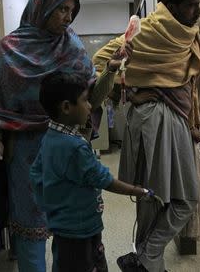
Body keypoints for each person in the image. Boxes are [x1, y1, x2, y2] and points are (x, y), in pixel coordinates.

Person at [0, 0, 132, 272]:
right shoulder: (7, 51)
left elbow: (91, 98)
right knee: (31, 231)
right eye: (61, 9)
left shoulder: (73, 46)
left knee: (75, 227)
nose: (67, 17)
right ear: (41, 7)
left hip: (69, 149)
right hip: (26, 153)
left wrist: (111, 71)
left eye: (71, 11)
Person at [92, 0, 200, 271]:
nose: (198, 11)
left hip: (176, 116)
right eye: (192, 5)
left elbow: (188, 82)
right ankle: (148, 261)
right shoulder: (147, 29)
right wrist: (126, 88)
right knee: (154, 198)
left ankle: (144, 256)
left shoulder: (190, 31)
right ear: (172, 5)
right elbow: (99, 61)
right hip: (151, 118)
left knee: (177, 198)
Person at [30, 72, 153, 272]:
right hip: (80, 229)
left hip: (62, 226)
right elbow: (104, 179)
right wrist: (138, 190)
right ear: (67, 107)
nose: (89, 106)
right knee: (86, 265)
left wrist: (51, 205)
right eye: (85, 100)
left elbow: (35, 174)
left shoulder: (50, 137)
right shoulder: (74, 147)